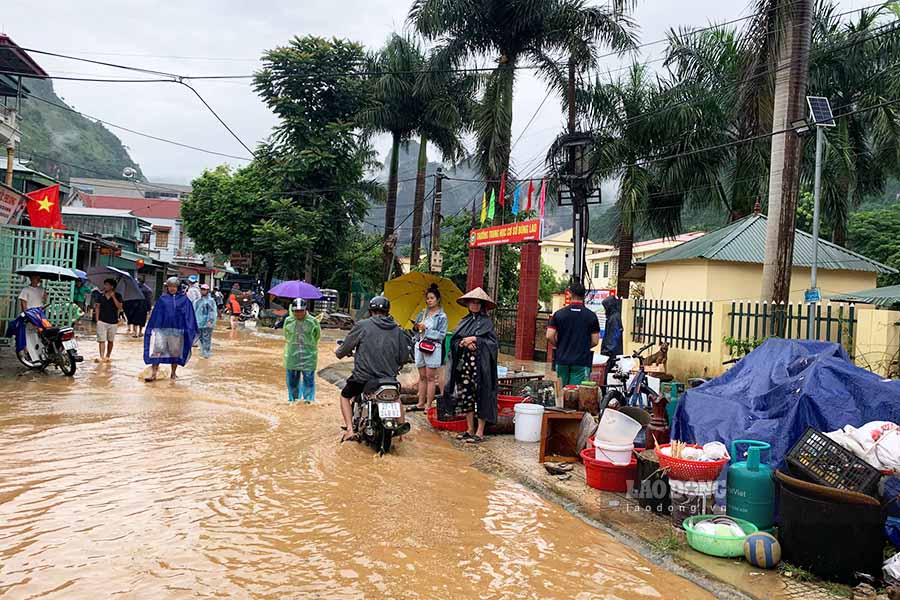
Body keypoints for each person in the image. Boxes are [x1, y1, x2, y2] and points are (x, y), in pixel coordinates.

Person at [335, 296, 412, 442]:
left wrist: (338, 352)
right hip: (389, 379)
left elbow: (344, 349)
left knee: (345, 396)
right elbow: (404, 357)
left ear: (370, 311)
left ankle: (350, 430)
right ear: (388, 312)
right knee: (396, 398)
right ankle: (401, 435)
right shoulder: (397, 329)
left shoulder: (362, 325)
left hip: (363, 378)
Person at [444, 287, 499, 445]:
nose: (474, 305)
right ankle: (469, 429)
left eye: (477, 303)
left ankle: (480, 431)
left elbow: (493, 345)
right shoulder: (463, 321)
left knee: (482, 396)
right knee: (466, 396)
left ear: (482, 305)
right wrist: (463, 343)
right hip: (465, 367)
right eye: (472, 302)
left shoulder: (487, 322)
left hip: (481, 368)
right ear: (467, 304)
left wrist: (476, 339)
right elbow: (454, 342)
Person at [144, 276, 199, 381]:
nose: (172, 288)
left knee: (175, 353)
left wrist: (189, 329)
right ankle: (153, 374)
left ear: (178, 287)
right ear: (167, 287)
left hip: (177, 330)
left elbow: (188, 315)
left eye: (174, 286)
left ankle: (173, 373)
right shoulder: (162, 299)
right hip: (162, 329)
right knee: (157, 351)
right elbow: (156, 313)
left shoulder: (184, 300)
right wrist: (153, 326)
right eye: (170, 286)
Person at [546, 282, 601, 386]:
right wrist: (582, 346)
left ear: (569, 294)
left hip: (562, 359)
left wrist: (560, 345)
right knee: (577, 393)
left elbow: (549, 335)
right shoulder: (591, 316)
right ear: (584, 295)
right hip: (581, 361)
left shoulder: (559, 314)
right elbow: (595, 341)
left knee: (562, 392)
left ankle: (561, 403)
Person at [408, 283, 448, 413]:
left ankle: (429, 405)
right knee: (422, 376)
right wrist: (416, 327)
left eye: (431, 298)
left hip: (433, 348)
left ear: (437, 299)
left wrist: (427, 330)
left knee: (431, 377)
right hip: (419, 346)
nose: (429, 301)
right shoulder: (423, 313)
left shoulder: (442, 316)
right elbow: (416, 330)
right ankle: (420, 403)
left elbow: (442, 335)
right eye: (428, 298)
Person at [283, 298, 321, 403]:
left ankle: (308, 402)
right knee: (292, 382)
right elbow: (286, 336)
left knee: (309, 381)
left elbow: (317, 336)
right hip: (292, 357)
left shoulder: (313, 321)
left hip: (308, 356)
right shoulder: (288, 321)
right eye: (296, 311)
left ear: (305, 310)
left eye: (300, 311)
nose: (298, 313)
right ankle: (293, 401)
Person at [94, 278, 123, 362]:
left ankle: (108, 355)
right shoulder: (101, 295)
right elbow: (97, 307)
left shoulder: (118, 295)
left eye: (107, 285)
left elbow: (120, 307)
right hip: (102, 321)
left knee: (110, 340)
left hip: (113, 322)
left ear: (112, 286)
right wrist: (97, 320)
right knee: (101, 340)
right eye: (105, 284)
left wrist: (113, 297)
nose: (105, 286)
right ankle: (102, 356)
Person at [193, 283, 218, 359]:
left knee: (207, 338)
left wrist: (210, 321)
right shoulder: (197, 301)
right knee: (200, 338)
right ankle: (203, 352)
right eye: (202, 289)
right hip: (199, 323)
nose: (203, 291)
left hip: (207, 323)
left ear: (207, 291)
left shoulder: (210, 301)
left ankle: (206, 354)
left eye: (204, 290)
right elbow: (195, 311)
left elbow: (212, 312)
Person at [600, 295, 624, 373]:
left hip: (611, 355)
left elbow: (613, 337)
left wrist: (607, 351)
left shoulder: (614, 318)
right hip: (612, 353)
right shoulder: (613, 316)